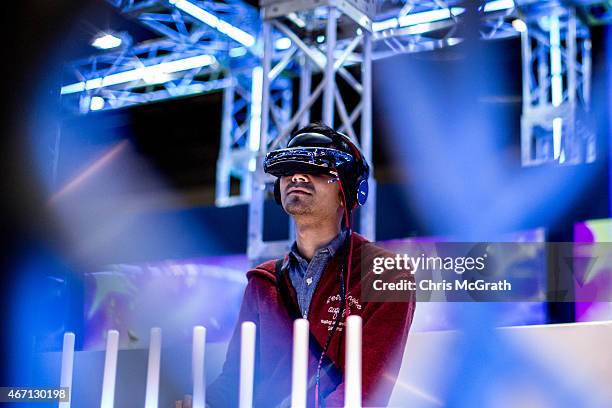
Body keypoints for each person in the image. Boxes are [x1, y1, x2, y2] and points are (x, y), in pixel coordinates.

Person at [206, 123, 415, 407]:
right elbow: (234, 380)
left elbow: (368, 389)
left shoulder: (387, 274)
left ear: (349, 191)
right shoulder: (262, 282)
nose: (298, 176)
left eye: (317, 169)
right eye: (288, 168)